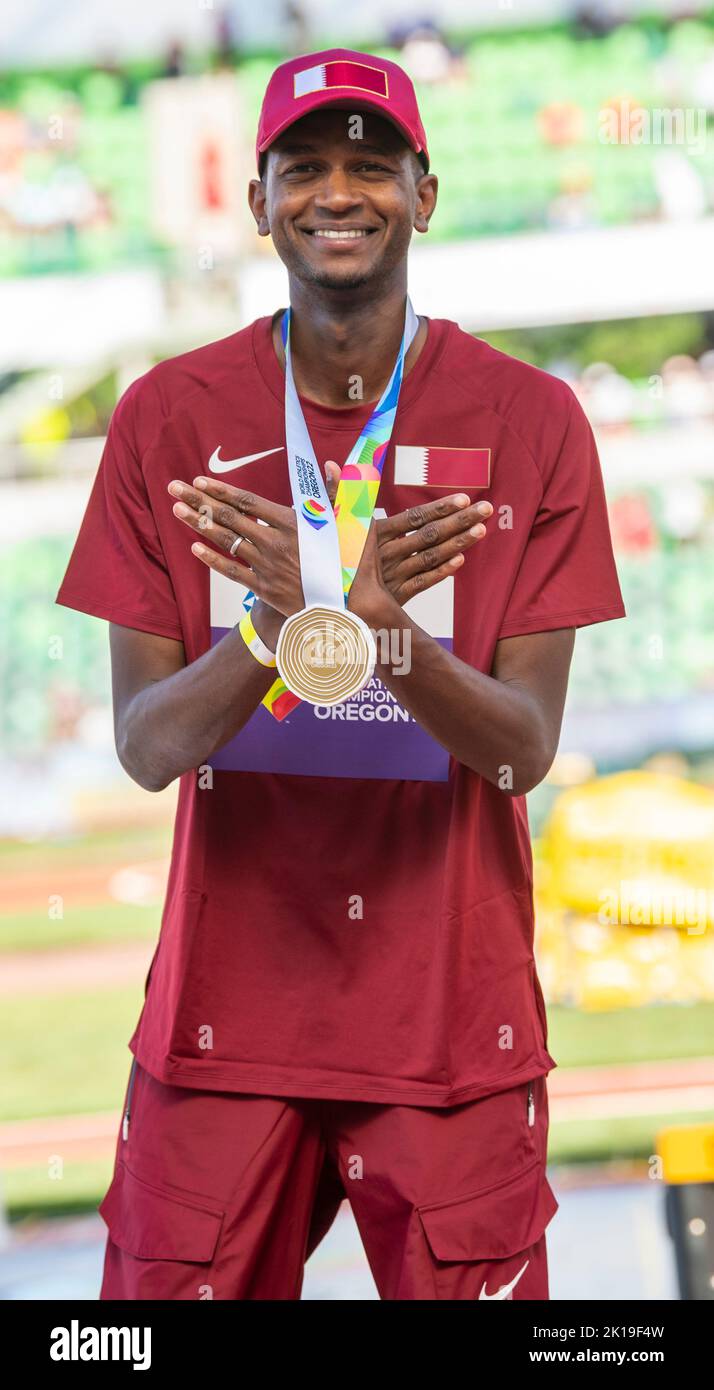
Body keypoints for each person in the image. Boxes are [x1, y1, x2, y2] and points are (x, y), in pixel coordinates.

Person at [56, 47, 625, 1300]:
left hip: (448, 1027)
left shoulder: (529, 419)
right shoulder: (167, 414)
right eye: (302, 166)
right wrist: (270, 631)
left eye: (373, 164)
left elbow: (524, 746)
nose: (337, 191)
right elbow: (148, 748)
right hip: (222, 1025)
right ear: (257, 201)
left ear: (425, 194)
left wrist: (389, 640)